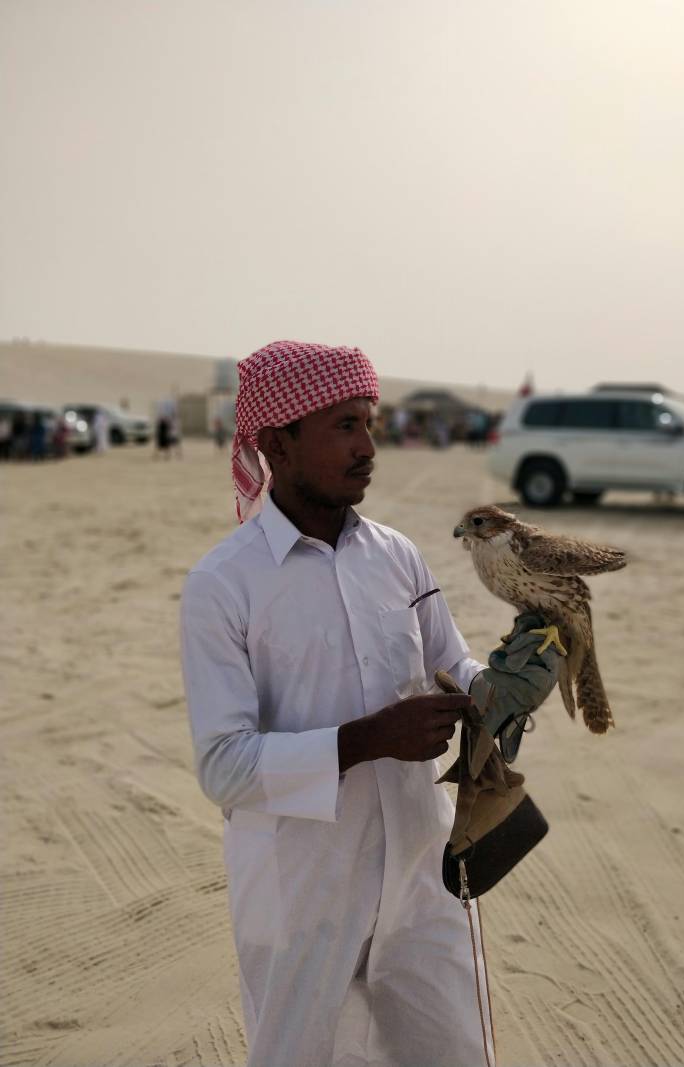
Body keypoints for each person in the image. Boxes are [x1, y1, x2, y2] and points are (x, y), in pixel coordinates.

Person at [181, 341, 559, 1067]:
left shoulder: (398, 555)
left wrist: (502, 690)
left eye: (369, 423)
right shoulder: (223, 584)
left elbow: (453, 665)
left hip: (423, 871)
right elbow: (223, 768)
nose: (368, 447)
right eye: (345, 426)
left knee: (455, 1053)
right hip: (299, 889)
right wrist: (368, 738)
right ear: (278, 442)